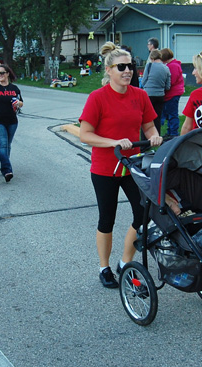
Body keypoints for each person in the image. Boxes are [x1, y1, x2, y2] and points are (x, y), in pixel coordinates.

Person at [78, 42, 162, 288]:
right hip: (105, 168)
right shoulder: (97, 98)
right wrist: (113, 141)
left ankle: (125, 263)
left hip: (132, 165)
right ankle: (104, 267)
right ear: (109, 70)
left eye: (131, 66)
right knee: (107, 218)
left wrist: (154, 135)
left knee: (143, 215)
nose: (128, 71)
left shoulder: (140, 95)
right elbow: (85, 134)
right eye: (122, 67)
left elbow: (148, 126)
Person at [140, 49, 170, 137]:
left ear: (152, 58)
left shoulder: (149, 66)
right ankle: (156, 137)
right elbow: (168, 86)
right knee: (157, 117)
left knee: (146, 117)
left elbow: (144, 81)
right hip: (160, 95)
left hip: (149, 94)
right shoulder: (166, 68)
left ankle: (145, 140)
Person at [160, 48, 184, 137]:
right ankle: (170, 130)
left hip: (173, 94)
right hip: (173, 93)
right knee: (170, 113)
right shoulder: (173, 65)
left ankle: (173, 132)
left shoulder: (172, 66)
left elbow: (171, 81)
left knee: (172, 114)